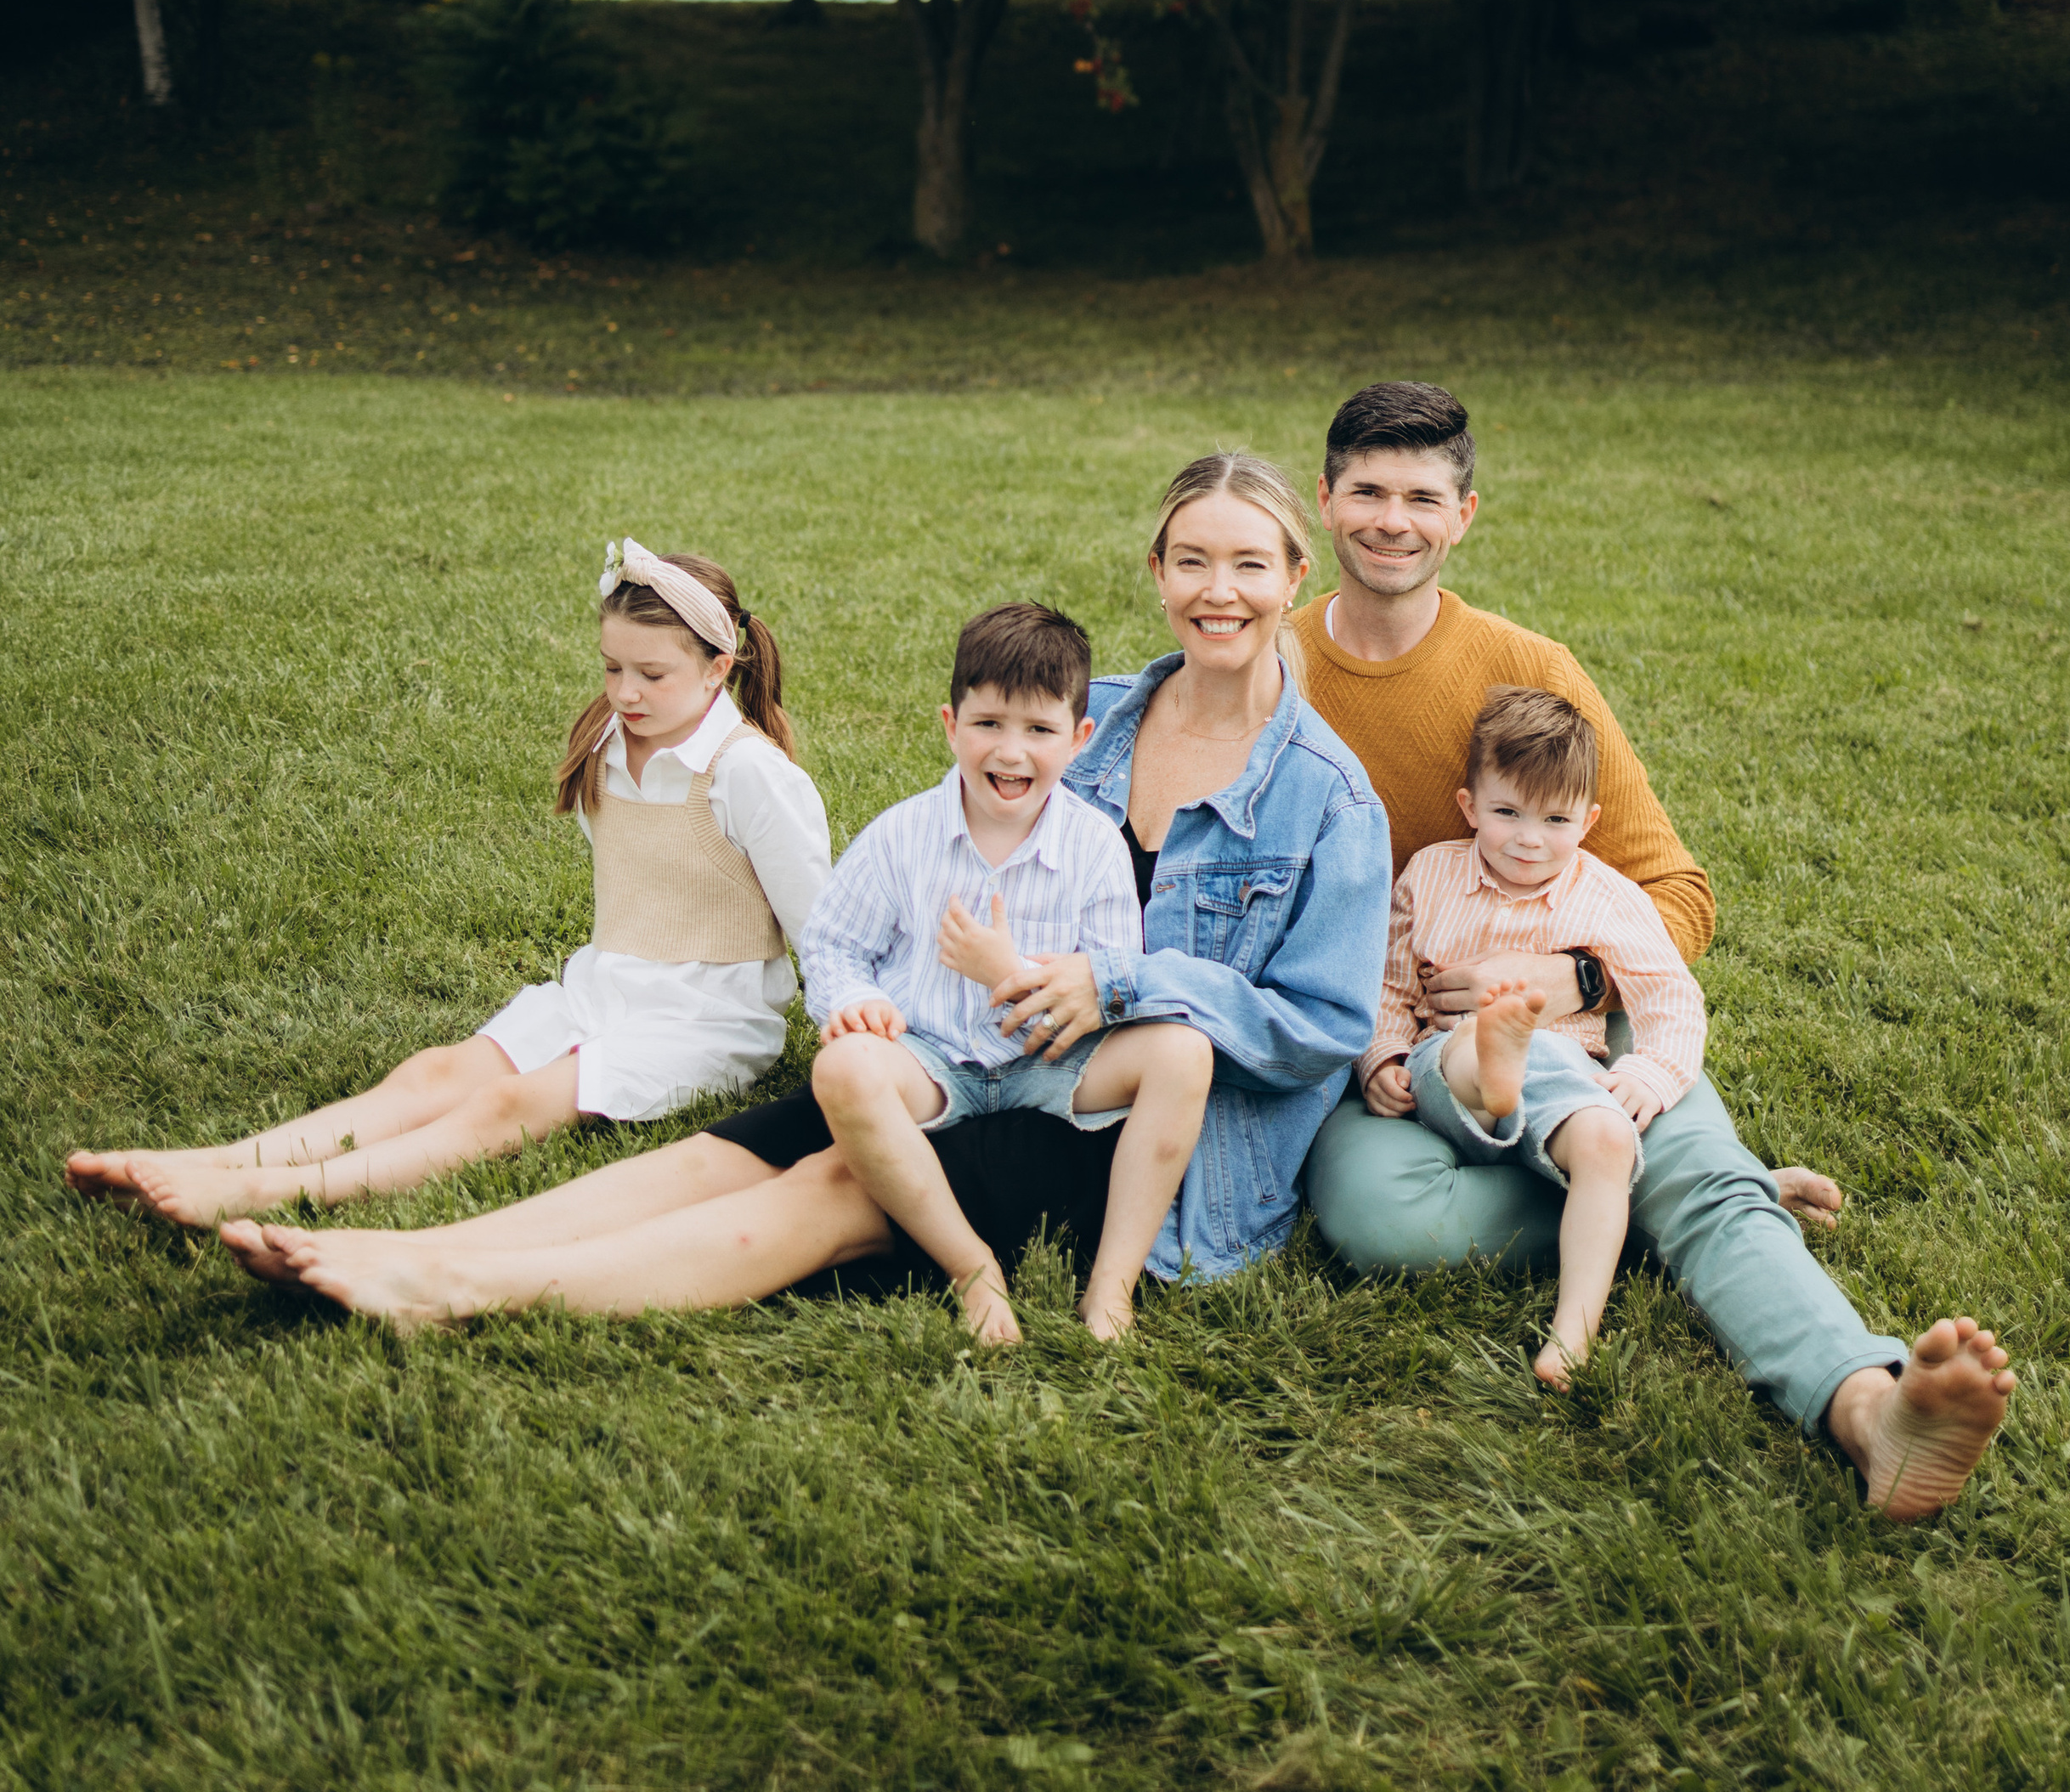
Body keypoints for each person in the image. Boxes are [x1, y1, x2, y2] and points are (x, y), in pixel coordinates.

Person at [217, 451, 1391, 1330]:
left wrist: (1122, 981)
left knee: (837, 1181)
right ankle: (426, 1237)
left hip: (1125, 1125)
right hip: (968, 1050)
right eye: (1193, 559)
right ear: (1158, 570)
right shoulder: (1091, 716)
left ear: (1297, 577)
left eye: (1249, 563)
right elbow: (947, 849)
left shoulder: (1328, 801)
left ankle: (462, 1285)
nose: (1218, 589)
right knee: (746, 1144)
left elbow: (1324, 1029)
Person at [1298, 380, 2016, 1523]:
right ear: (1325, 501)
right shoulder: (1270, 668)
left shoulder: (1529, 667)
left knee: (1673, 1159)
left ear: (1464, 516)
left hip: (1580, 1026)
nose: (1394, 520)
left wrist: (1569, 976)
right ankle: (1677, 1194)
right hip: (1402, 1041)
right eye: (1369, 492)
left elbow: (1676, 889)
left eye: (1423, 497)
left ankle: (1867, 1409)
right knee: (1379, 1222)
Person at [71, 540, 829, 1229]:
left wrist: (848, 1036)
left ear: (718, 669)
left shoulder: (751, 776)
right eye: (612, 667)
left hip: (704, 1022)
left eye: (651, 675)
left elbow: (818, 929)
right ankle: (218, 1159)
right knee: (438, 1072)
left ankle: (272, 1193)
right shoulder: (606, 742)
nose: (625, 693)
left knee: (507, 1103)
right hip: (602, 988)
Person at [803, 601, 1213, 1345]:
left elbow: (1114, 980)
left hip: (1053, 1062)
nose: (1011, 752)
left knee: (1185, 1053)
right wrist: (857, 1002)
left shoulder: (1093, 846)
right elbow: (832, 943)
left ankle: (1112, 1285)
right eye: (988, 724)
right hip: (930, 1057)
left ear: (1080, 740)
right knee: (842, 1071)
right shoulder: (902, 836)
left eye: (1039, 730)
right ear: (950, 723)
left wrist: (1006, 971)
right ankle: (970, 1268)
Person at [1364, 685, 1707, 1388]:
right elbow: (1392, 984)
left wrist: (1651, 1075)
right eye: (1506, 813)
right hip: (1444, 1062)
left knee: (1610, 1140)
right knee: (1467, 1046)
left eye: (1555, 819)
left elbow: (1670, 994)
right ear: (1469, 807)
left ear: (1589, 820)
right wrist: (1383, 1054)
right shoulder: (1430, 874)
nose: (1528, 838)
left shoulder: (1610, 898)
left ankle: (1573, 1338)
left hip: (1565, 1075)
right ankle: (1494, 1060)